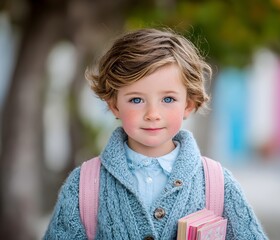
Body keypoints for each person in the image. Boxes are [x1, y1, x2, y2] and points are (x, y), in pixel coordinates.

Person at [44, 28, 268, 239]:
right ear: (114, 105)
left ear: (188, 105)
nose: (153, 113)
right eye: (136, 100)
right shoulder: (84, 184)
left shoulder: (217, 184)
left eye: (168, 99)